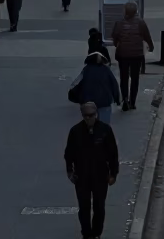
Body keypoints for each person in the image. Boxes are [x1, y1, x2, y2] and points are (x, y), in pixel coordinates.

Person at [64, 101, 119, 239]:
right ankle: (87, 233)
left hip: (100, 175)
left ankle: (96, 232)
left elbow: (113, 153)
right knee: (84, 207)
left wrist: (113, 173)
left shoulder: (105, 130)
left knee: (99, 206)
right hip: (82, 175)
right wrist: (70, 171)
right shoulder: (75, 131)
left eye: (91, 115)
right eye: (86, 116)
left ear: (96, 114)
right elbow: (69, 153)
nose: (89, 118)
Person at [111, 0, 153, 111]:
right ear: (136, 11)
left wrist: (117, 44)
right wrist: (151, 46)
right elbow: (147, 36)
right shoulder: (140, 23)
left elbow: (115, 36)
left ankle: (125, 98)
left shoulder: (119, 23)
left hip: (123, 54)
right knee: (135, 78)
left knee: (124, 77)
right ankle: (132, 102)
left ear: (125, 11)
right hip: (137, 54)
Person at [74, 52, 120, 125]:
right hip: (105, 100)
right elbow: (114, 84)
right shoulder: (106, 70)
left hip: (88, 101)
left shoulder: (86, 70)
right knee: (104, 124)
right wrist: (117, 98)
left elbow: (77, 84)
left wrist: (79, 98)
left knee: (89, 123)